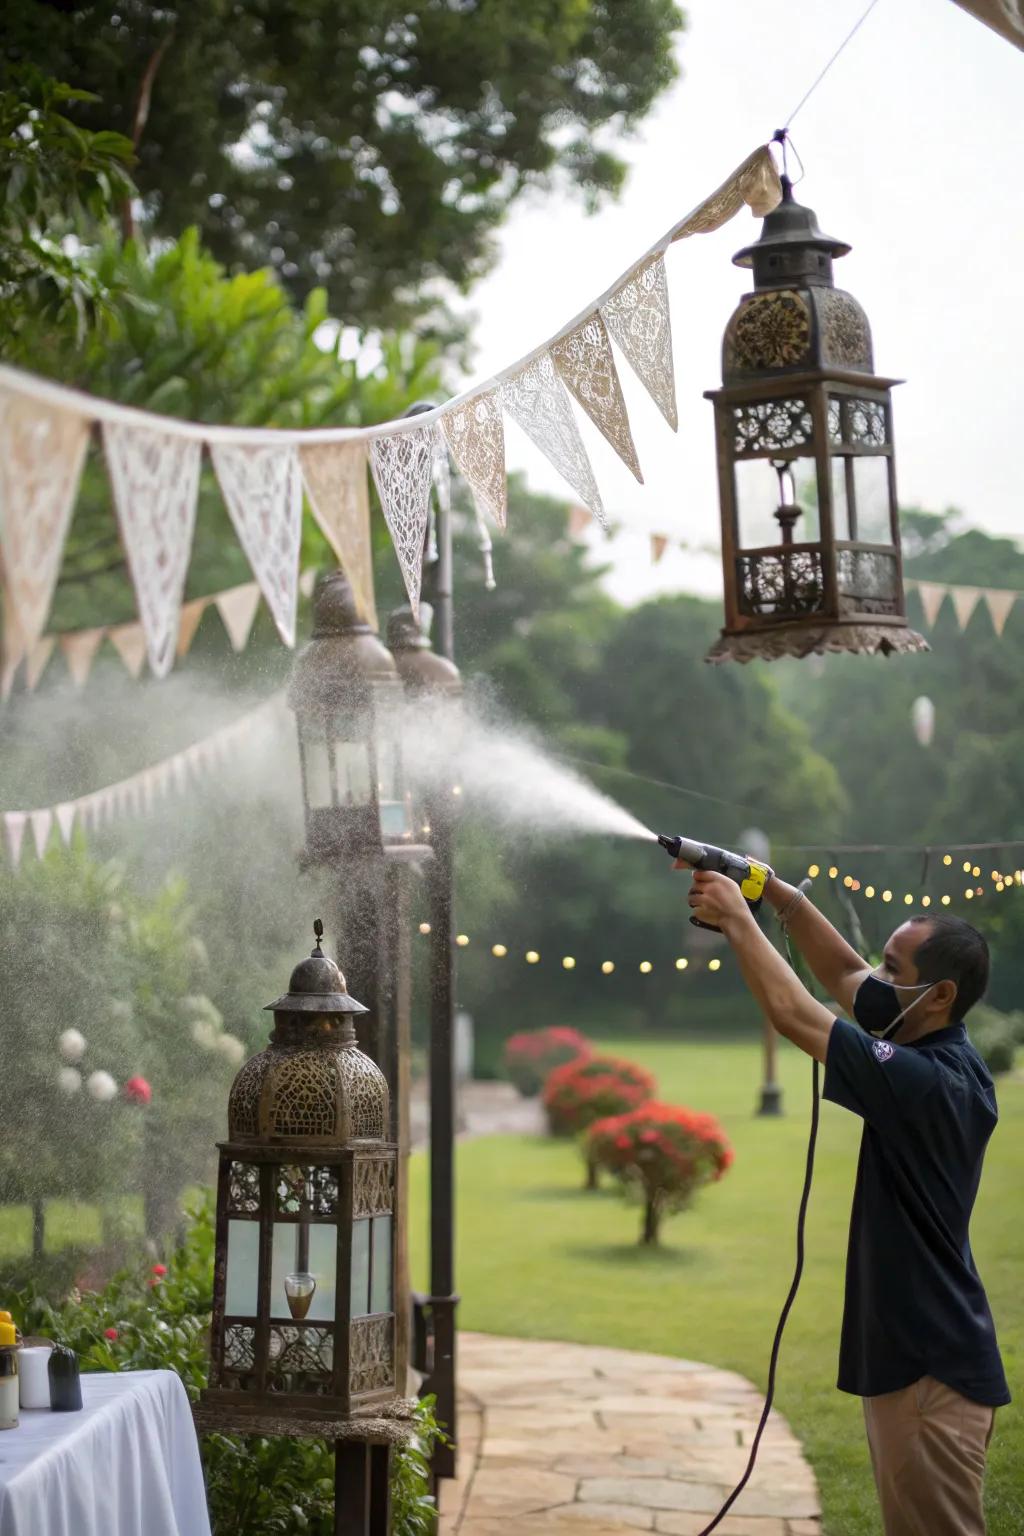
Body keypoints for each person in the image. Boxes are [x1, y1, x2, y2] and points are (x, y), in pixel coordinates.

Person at [684, 863, 1010, 1536]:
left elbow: (794, 1012)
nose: (874, 979)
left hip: (930, 1373)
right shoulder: (934, 1042)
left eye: (892, 970)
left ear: (940, 994)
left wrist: (737, 920)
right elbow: (838, 974)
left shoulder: (927, 1083)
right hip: (921, 1361)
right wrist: (770, 889)